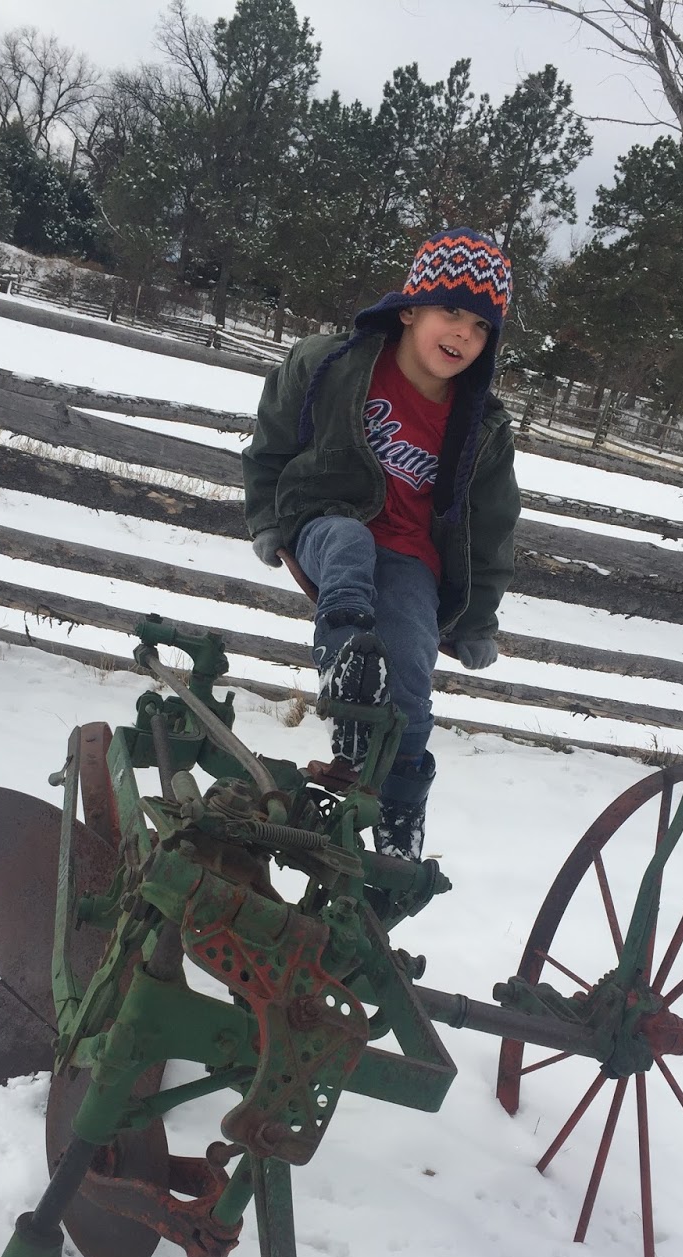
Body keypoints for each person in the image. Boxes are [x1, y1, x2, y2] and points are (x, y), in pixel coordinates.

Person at [243, 227, 521, 860]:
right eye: (451, 311)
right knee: (348, 546)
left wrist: (476, 621)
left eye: (481, 327)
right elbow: (272, 441)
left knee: (413, 663)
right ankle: (345, 667)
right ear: (410, 308)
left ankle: (400, 811)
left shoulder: (481, 428)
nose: (463, 334)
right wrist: (266, 519)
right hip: (326, 518)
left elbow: (493, 526)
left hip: (409, 557)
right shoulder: (333, 365)